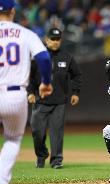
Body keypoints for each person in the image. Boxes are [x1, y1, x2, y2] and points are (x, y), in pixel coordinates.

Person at [0, 0, 53, 184]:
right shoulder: (25, 33)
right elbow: (44, 58)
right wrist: (46, 83)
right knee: (13, 140)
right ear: (13, 11)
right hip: (15, 95)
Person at [27, 27, 82, 169]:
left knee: (56, 133)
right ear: (46, 39)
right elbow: (30, 77)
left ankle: (56, 160)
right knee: (37, 131)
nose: (55, 42)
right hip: (40, 101)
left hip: (59, 102)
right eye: (53, 39)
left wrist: (75, 92)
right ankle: (41, 155)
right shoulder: (38, 56)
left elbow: (76, 75)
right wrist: (30, 92)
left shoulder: (66, 57)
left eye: (58, 39)